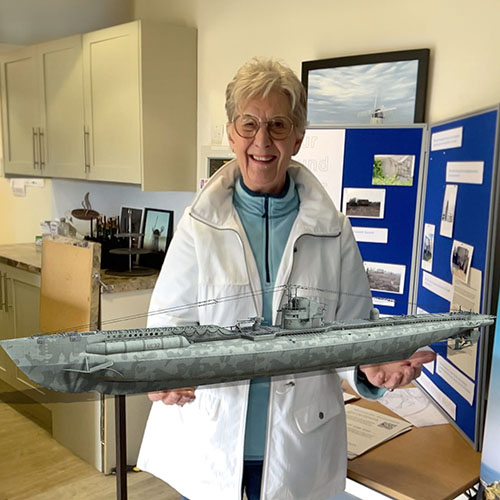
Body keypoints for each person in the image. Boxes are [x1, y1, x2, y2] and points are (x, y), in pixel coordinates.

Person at [137, 57, 434, 500]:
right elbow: (165, 328)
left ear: (298, 136)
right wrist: (163, 372)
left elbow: (353, 334)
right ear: (231, 133)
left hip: (298, 446)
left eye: (277, 125)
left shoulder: (333, 231)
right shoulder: (199, 226)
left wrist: (373, 367)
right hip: (212, 442)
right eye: (249, 124)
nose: (262, 140)